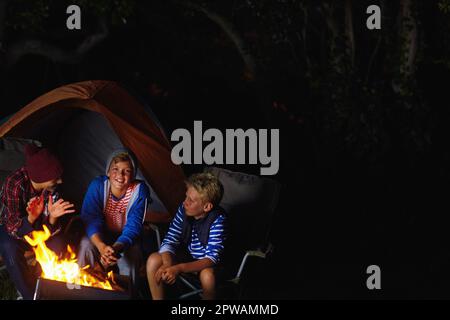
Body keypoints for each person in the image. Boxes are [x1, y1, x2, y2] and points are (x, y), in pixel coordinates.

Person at [0, 144, 75, 299]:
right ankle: (28, 295)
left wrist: (53, 217)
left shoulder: (53, 189)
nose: (60, 181)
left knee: (59, 243)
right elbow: (12, 227)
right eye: (56, 177)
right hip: (14, 230)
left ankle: (42, 284)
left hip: (40, 230)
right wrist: (31, 218)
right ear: (42, 177)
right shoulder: (14, 184)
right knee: (9, 247)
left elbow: (51, 230)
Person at [78, 148, 150, 294]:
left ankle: (127, 295)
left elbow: (134, 226)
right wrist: (101, 246)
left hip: (126, 239)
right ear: (108, 172)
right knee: (85, 245)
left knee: (130, 259)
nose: (120, 175)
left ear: (133, 174)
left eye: (127, 171)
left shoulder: (139, 190)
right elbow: (91, 218)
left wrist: (115, 249)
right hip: (100, 235)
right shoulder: (98, 186)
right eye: (115, 169)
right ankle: (82, 291)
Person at [146, 172, 227, 300]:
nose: (185, 202)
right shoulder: (184, 210)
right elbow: (170, 239)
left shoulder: (218, 220)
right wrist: (168, 263)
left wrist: (179, 268)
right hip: (188, 256)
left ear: (207, 206)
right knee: (154, 260)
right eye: (186, 197)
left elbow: (211, 258)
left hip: (208, 264)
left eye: (191, 200)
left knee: (208, 277)